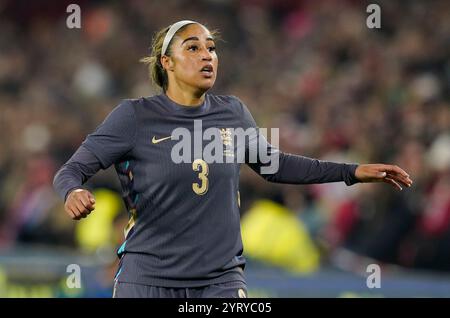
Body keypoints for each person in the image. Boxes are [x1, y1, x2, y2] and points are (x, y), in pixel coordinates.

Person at [53, 20, 413, 298]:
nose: (207, 55)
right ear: (167, 63)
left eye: (211, 48)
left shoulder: (233, 113)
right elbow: (72, 170)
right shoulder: (134, 117)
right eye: (192, 48)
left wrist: (352, 172)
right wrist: (72, 191)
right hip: (148, 279)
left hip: (220, 280)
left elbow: (276, 165)